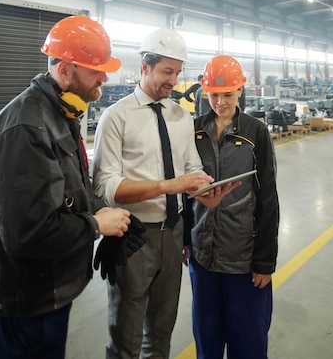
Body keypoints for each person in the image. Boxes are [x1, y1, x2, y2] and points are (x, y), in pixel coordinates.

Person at [0, 15, 134, 359]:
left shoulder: (60, 115)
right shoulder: (26, 128)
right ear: (65, 70)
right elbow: (27, 232)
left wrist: (103, 211)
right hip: (29, 302)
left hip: (51, 291)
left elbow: (70, 191)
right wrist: (96, 226)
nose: (104, 77)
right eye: (96, 69)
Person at [92, 28, 238, 359]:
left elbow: (191, 169)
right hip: (133, 236)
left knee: (160, 332)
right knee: (126, 339)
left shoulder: (180, 116)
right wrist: (168, 186)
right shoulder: (116, 118)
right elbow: (106, 187)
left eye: (177, 72)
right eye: (166, 72)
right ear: (145, 68)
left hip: (172, 236)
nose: (173, 80)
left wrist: (205, 193)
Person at [186, 54, 280, 359]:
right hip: (203, 256)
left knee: (248, 342)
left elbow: (267, 198)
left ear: (240, 90)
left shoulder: (255, 133)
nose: (220, 102)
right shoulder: (193, 130)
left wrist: (265, 260)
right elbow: (183, 191)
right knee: (207, 338)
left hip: (243, 258)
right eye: (213, 94)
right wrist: (185, 240)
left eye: (227, 94)